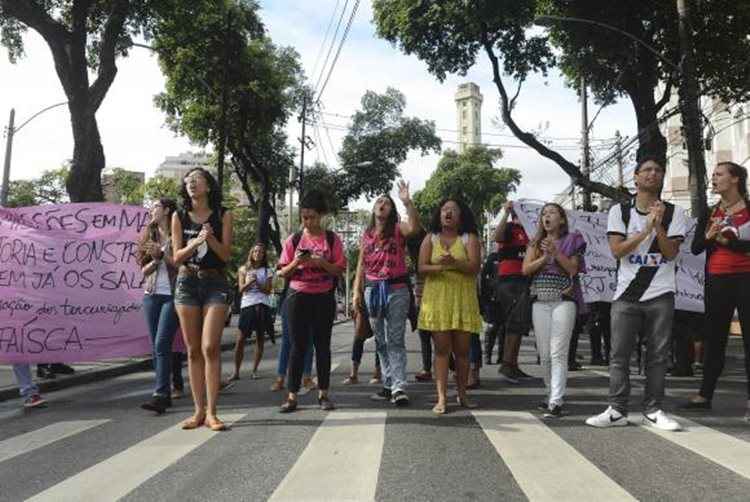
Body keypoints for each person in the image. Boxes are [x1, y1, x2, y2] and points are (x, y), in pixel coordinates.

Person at [586, 157, 686, 431]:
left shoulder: (676, 212)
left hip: (661, 293)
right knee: (619, 354)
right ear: (636, 177)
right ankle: (617, 409)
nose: (653, 174)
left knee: (658, 355)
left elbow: (670, 253)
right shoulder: (620, 211)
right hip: (626, 295)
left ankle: (653, 409)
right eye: (648, 170)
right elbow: (617, 250)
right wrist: (644, 231)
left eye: (658, 171)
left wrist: (658, 226)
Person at [681, 161, 750, 421]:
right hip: (717, 279)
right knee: (714, 338)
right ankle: (704, 395)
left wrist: (726, 241)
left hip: (746, 278)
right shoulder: (710, 211)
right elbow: (697, 247)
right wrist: (710, 236)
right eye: (712, 174)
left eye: (719, 174)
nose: (714, 178)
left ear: (735, 179)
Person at [172, 168, 233, 431]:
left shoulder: (223, 215)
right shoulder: (179, 215)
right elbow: (176, 257)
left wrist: (211, 238)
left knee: (210, 347)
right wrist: (196, 242)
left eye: (196, 180)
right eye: (188, 181)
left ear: (208, 186)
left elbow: (225, 255)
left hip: (215, 282)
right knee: (193, 349)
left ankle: (212, 413)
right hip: (187, 283)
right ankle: (198, 411)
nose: (191, 184)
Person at [277, 190, 346, 413]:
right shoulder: (294, 240)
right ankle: (292, 396)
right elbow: (281, 273)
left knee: (322, 346)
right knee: (298, 347)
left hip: (324, 297)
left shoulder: (332, 239)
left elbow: (339, 270)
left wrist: (320, 262)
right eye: (304, 217)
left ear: (321, 216)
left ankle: (323, 394)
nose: (307, 222)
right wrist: (297, 262)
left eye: (312, 217)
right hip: (298, 297)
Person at [353, 181, 420, 406]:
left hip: (397, 290)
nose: (382, 204)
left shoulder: (398, 229)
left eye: (387, 203)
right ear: (374, 209)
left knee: (395, 339)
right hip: (372, 290)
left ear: (391, 211)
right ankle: (388, 383)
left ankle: (399, 386)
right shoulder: (367, 235)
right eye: (379, 202)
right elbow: (361, 266)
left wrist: (407, 202)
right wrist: (356, 293)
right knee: (380, 341)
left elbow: (414, 228)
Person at [418, 198, 483, 414]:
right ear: (439, 215)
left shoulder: (469, 238)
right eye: (444, 210)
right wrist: (439, 267)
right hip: (437, 301)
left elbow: (475, 267)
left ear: (460, 216)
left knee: (463, 351)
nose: (448, 213)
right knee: (442, 350)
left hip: (463, 300)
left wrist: (454, 263)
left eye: (453, 210)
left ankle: (463, 394)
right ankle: (442, 397)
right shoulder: (431, 238)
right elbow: (421, 267)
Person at [523, 203, 586, 418]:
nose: (546, 217)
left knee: (558, 352)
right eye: (544, 214)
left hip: (563, 302)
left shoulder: (574, 240)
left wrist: (556, 252)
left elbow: (573, 268)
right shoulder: (534, 243)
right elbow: (526, 269)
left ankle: (556, 400)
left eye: (551, 213)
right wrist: (544, 256)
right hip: (540, 302)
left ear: (561, 219)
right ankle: (550, 393)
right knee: (545, 354)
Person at [137, 198, 180, 415]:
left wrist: (163, 254)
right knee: (156, 347)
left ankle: (161, 394)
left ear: (167, 210)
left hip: (172, 295)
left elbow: (182, 265)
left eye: (155, 207)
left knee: (162, 343)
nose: (152, 210)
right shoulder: (148, 236)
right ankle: (166, 388)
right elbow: (143, 271)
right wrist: (154, 259)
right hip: (151, 295)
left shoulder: (177, 234)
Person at [493, 201, 533, 383]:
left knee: (520, 323)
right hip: (509, 281)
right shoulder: (509, 228)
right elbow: (497, 236)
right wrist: (506, 213)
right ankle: (507, 364)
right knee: (514, 321)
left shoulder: (532, 232)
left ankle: (513, 364)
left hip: (525, 280)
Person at [231, 244, 274, 380]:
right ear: (251, 253)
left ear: (263, 255)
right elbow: (241, 290)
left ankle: (254, 371)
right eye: (255, 251)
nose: (257, 253)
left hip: (262, 305)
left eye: (261, 252)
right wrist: (249, 282)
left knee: (260, 339)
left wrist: (258, 284)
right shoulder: (243, 269)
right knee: (240, 340)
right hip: (247, 305)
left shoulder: (267, 271)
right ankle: (236, 372)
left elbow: (268, 290)